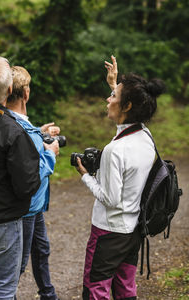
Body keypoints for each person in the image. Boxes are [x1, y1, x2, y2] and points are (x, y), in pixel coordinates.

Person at [76, 55, 165, 300]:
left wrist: (85, 176)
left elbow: (111, 199)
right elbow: (129, 111)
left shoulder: (115, 151)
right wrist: (115, 83)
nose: (108, 98)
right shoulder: (146, 137)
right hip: (132, 231)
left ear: (126, 106)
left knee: (96, 290)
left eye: (113, 96)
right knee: (126, 289)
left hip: (107, 233)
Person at [6, 66, 60, 300]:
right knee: (15, 266)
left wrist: (40, 133)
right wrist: (51, 153)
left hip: (35, 207)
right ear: (26, 93)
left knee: (41, 250)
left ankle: (48, 294)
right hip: (24, 209)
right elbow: (29, 173)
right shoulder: (17, 128)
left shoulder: (15, 124)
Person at [0, 56, 41, 300]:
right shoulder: (12, 132)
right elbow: (27, 185)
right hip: (2, 223)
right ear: (10, 90)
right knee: (1, 290)